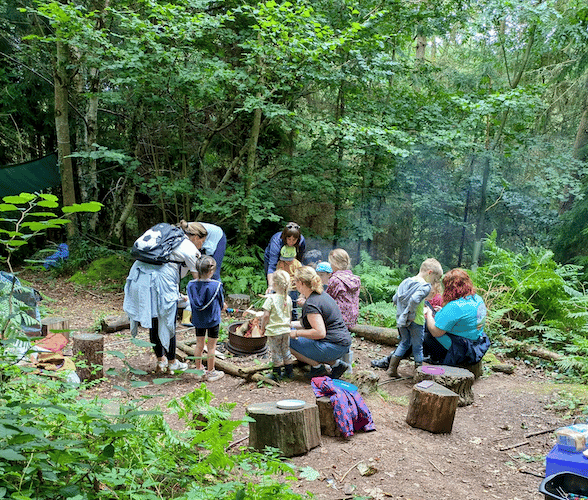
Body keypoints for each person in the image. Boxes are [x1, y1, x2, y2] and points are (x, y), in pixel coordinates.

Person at [124, 221, 202, 374]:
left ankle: (161, 361)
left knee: (153, 318)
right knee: (167, 321)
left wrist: (179, 296)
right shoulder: (188, 246)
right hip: (161, 281)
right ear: (197, 237)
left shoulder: (166, 237)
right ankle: (172, 363)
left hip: (140, 276)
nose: (202, 245)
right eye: (202, 241)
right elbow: (198, 280)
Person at [289, 266, 352, 379]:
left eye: (295, 281)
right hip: (342, 344)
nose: (294, 284)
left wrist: (296, 333)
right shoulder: (321, 295)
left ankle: (317, 368)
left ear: (302, 283)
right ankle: (336, 365)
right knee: (292, 334)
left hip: (334, 346)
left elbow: (319, 332)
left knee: (287, 341)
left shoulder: (311, 303)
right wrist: (290, 325)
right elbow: (309, 324)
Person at [386, 258, 443, 378]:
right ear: (430, 272)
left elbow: (395, 298)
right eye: (435, 279)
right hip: (416, 320)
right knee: (418, 347)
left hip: (402, 320)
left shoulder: (407, 281)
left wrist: (403, 313)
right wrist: (411, 313)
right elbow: (414, 299)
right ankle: (419, 375)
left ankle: (392, 370)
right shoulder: (425, 286)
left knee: (404, 343)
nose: (434, 282)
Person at [423, 268, 490, 366]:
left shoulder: (455, 306)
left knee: (426, 333)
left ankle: (437, 359)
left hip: (461, 349)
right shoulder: (477, 298)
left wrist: (429, 313)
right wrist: (442, 311)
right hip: (476, 343)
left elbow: (435, 331)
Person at [187, 256, 225, 382]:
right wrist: (223, 307)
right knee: (211, 346)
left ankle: (198, 370)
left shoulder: (191, 285)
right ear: (211, 272)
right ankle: (211, 371)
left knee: (199, 344)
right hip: (213, 319)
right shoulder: (217, 285)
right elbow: (221, 303)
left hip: (198, 319)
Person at [259, 270, 294, 381]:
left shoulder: (271, 299)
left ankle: (277, 374)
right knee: (286, 350)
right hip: (285, 330)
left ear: (274, 284)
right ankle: (289, 372)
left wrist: (262, 328)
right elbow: (290, 315)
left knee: (275, 352)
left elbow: (265, 316)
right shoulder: (288, 299)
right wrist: (288, 326)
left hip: (274, 331)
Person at [264, 222, 306, 294]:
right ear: (285, 237)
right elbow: (272, 266)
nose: (291, 242)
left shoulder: (301, 241)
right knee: (275, 281)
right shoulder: (276, 242)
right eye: (289, 239)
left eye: (294, 240)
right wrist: (271, 286)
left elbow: (299, 259)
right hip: (274, 259)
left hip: (292, 259)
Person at [326, 249, 361, 329]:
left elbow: (327, 299)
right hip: (352, 318)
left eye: (331, 262)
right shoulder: (355, 279)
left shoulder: (335, 279)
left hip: (338, 320)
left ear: (335, 263)